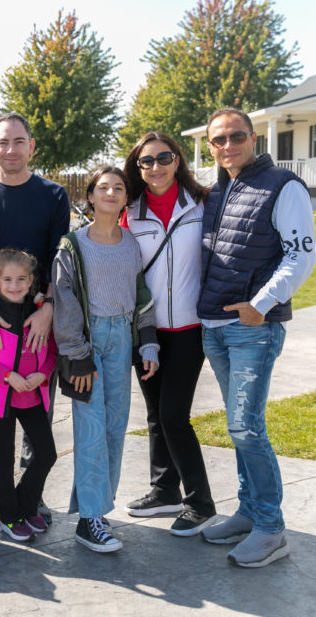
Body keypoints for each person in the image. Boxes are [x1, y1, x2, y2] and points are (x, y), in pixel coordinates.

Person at [197, 108, 315, 568]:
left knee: (247, 428)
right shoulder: (220, 189)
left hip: (252, 329)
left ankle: (270, 527)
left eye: (236, 136)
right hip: (215, 329)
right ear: (210, 145)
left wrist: (260, 306)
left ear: (252, 138)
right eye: (218, 139)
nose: (228, 145)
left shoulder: (283, 186)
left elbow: (300, 256)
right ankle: (248, 511)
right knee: (237, 428)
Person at [0, 112, 70, 528]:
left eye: (18, 141)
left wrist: (48, 310)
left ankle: (29, 492)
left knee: (34, 404)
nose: (11, 150)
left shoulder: (53, 196)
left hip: (38, 316)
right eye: (3, 142)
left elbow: (62, 259)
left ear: (31, 146)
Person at [52, 166, 159, 552]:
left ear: (126, 198)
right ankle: (90, 520)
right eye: (102, 187)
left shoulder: (132, 244)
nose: (111, 192)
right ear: (91, 198)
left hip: (121, 341)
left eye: (118, 187)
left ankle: (95, 512)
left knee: (114, 430)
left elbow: (142, 295)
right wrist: (78, 356)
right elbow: (63, 301)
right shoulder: (72, 246)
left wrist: (148, 343)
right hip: (88, 344)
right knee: (91, 430)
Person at [121, 132, 217, 536]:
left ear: (178, 160)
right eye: (147, 161)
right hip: (147, 330)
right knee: (156, 414)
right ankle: (165, 491)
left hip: (191, 329)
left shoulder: (204, 204)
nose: (156, 167)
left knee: (174, 415)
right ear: (138, 168)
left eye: (164, 158)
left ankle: (201, 503)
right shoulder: (130, 212)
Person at [0, 249, 58, 541]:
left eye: (21, 279)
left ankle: (26, 503)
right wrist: (9, 377)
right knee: (4, 460)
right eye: (7, 279)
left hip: (32, 396)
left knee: (47, 454)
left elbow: (52, 352)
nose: (14, 285)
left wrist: (43, 375)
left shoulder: (39, 315)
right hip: (2, 398)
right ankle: (9, 515)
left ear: (31, 280)